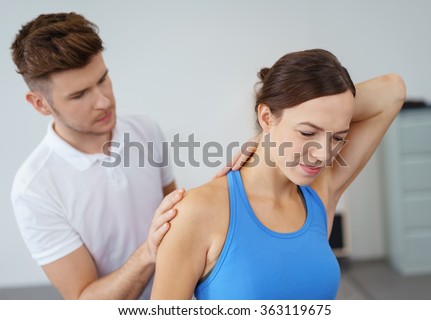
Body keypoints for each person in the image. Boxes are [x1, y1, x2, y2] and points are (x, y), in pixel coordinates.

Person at [9, 12, 243, 300]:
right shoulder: (34, 189)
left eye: (103, 79)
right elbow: (84, 302)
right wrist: (149, 251)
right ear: (40, 103)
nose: (104, 100)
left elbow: (175, 216)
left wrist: (229, 185)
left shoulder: (145, 130)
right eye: (80, 95)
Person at [150, 49, 406, 299]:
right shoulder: (196, 212)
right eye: (307, 133)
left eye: (338, 137)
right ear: (265, 116)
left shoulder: (320, 193)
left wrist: (266, 134)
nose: (323, 155)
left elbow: (393, 91)